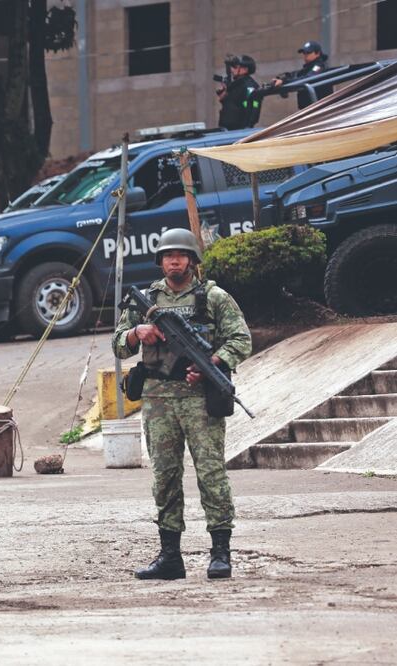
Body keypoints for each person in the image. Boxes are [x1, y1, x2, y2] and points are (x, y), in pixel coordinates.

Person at [112, 228, 252, 580]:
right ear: (160, 261)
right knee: (165, 477)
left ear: (192, 260)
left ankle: (220, 553)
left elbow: (241, 339)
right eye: (168, 256)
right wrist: (136, 333)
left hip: (199, 399)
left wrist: (213, 363)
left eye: (181, 255)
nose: (174, 261)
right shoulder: (147, 298)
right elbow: (118, 344)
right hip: (158, 399)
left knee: (211, 473)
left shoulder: (213, 297)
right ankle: (170, 557)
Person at [272, 40, 333, 109]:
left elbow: (308, 78)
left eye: (308, 52)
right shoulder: (308, 68)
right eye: (304, 53)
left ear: (317, 53)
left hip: (320, 109)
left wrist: (284, 82)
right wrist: (282, 79)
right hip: (309, 109)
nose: (305, 55)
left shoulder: (319, 66)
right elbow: (295, 75)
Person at [216, 55, 262, 130]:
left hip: (240, 131)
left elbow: (254, 106)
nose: (232, 70)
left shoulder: (250, 86)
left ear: (245, 69)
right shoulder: (235, 85)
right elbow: (231, 104)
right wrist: (224, 94)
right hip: (226, 129)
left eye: (235, 67)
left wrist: (248, 127)